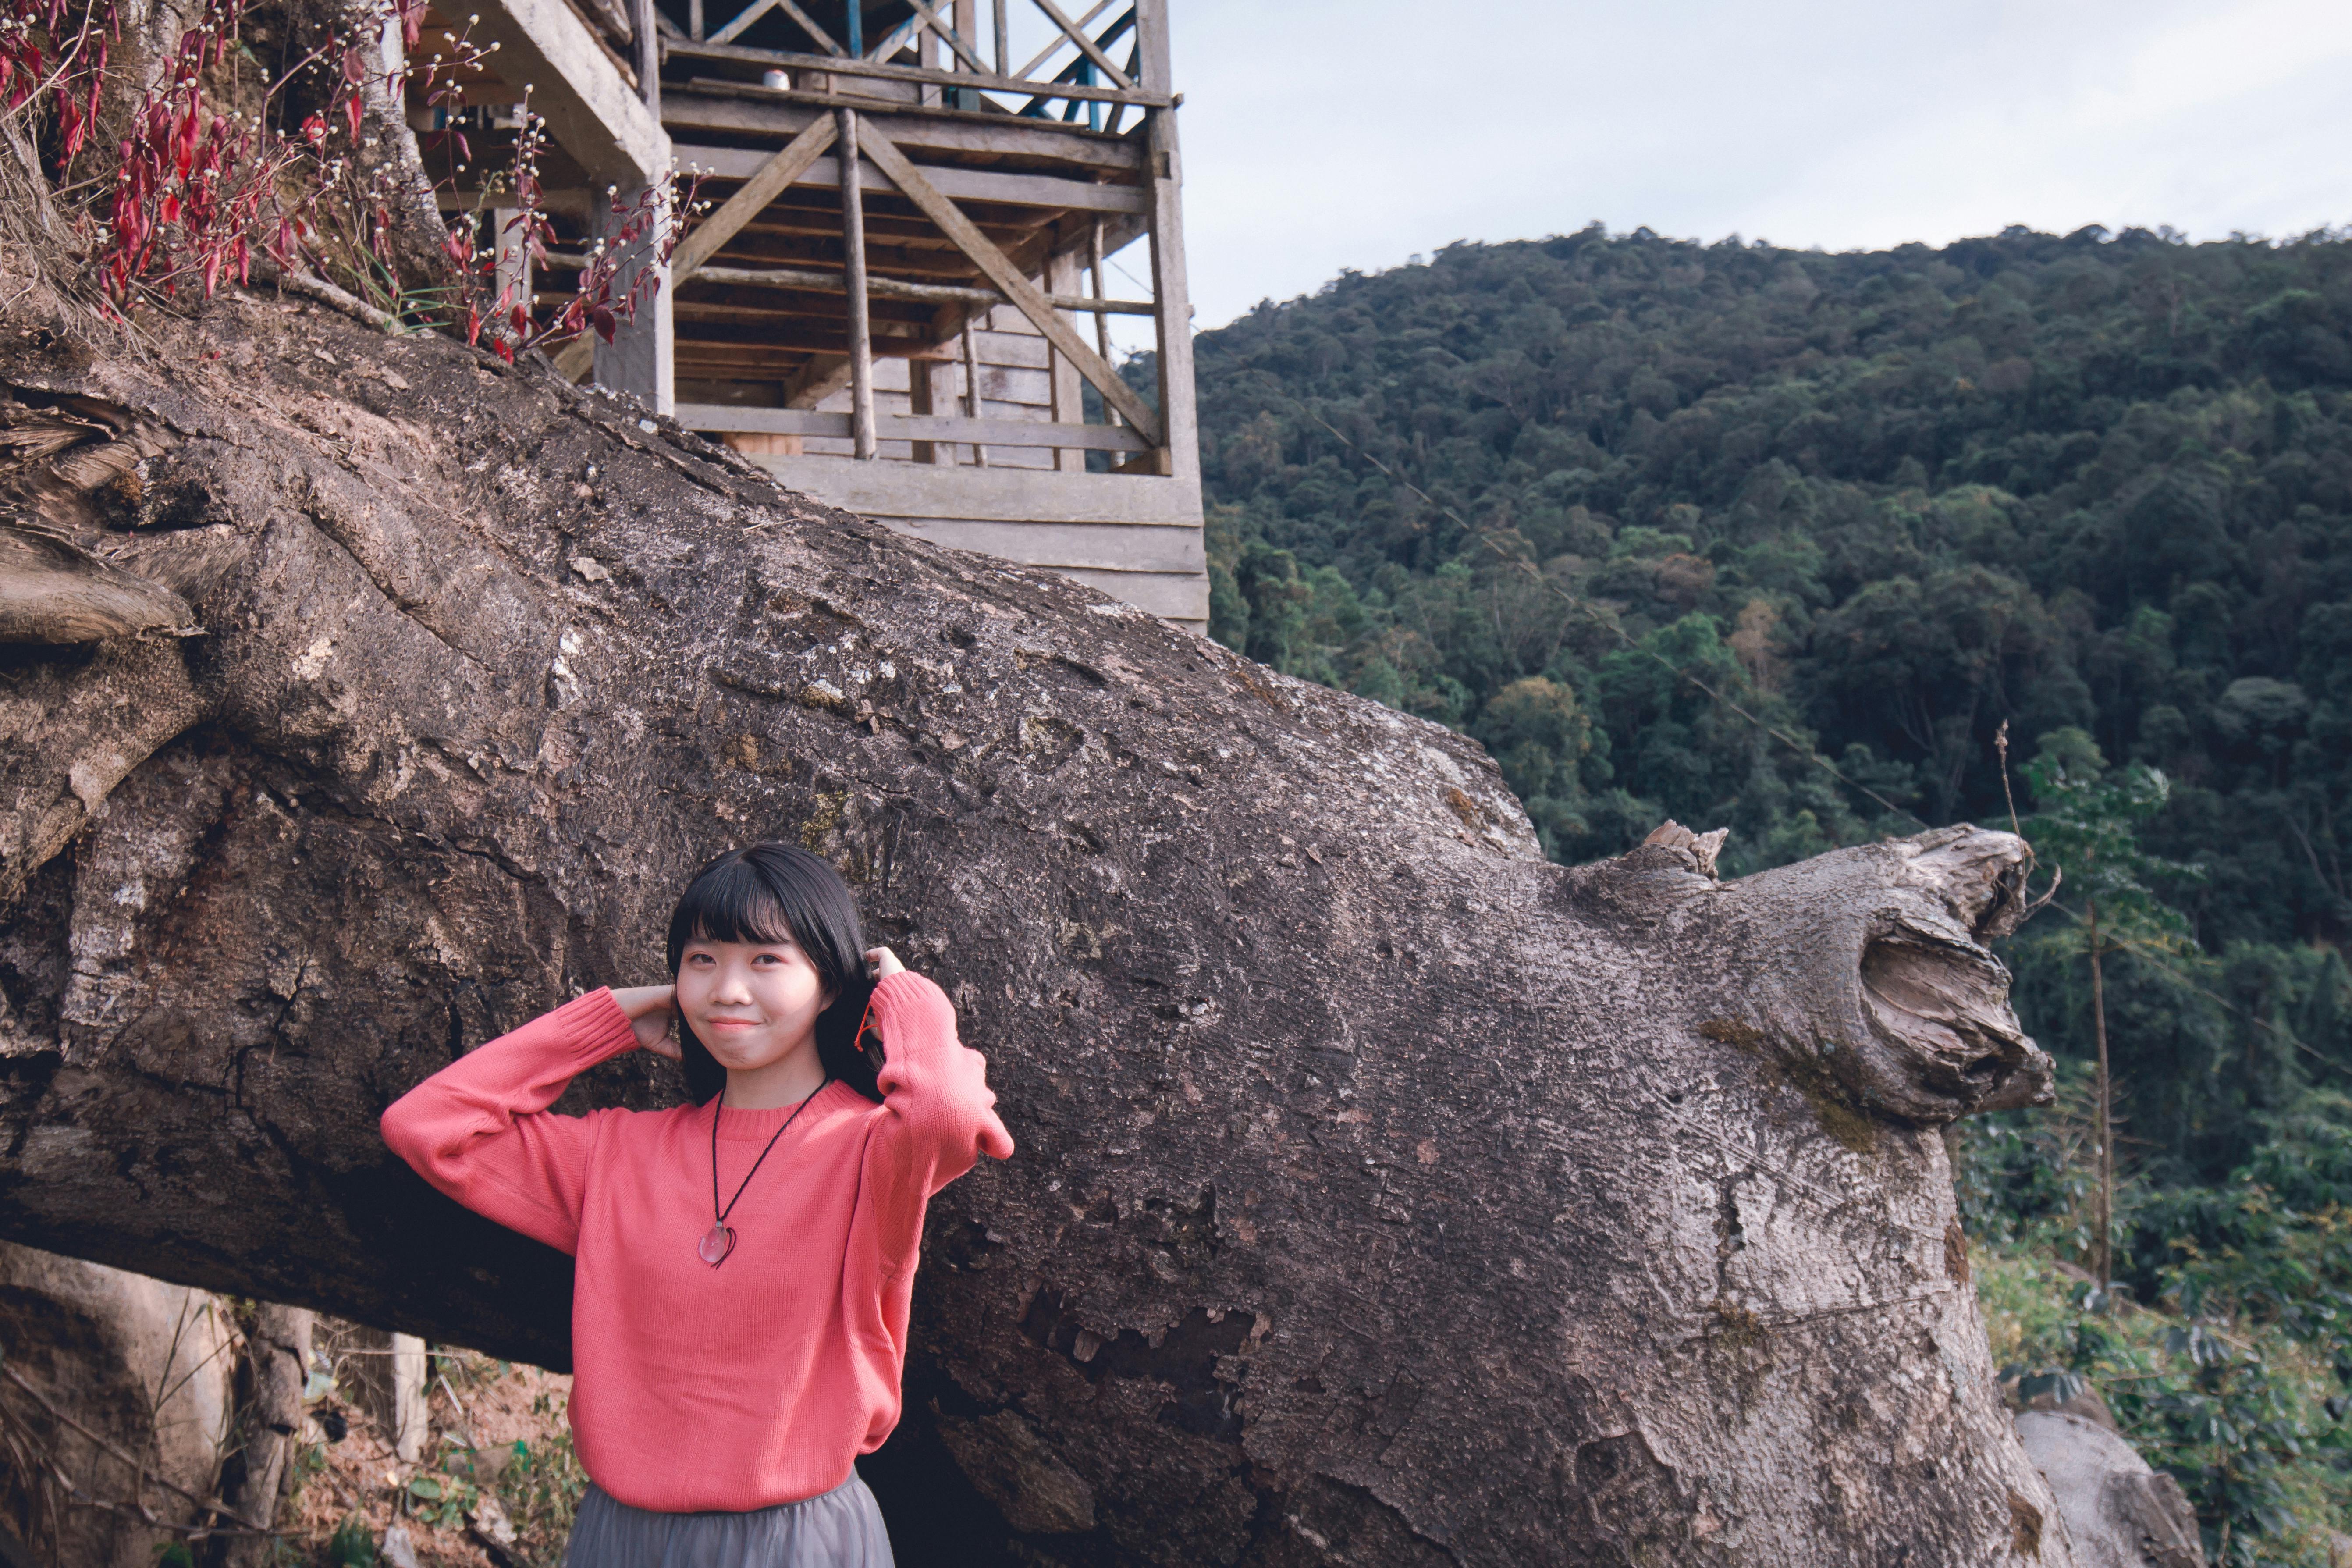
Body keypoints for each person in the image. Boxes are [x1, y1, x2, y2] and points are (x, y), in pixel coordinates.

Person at [380, 842, 1014, 1567]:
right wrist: (605, 1023)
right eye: (703, 959)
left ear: (831, 983)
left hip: (796, 1539)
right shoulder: (616, 1154)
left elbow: (944, 1109)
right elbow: (425, 1127)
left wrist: (902, 998)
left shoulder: (873, 1153)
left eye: (766, 960)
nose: (727, 991)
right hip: (620, 1537)